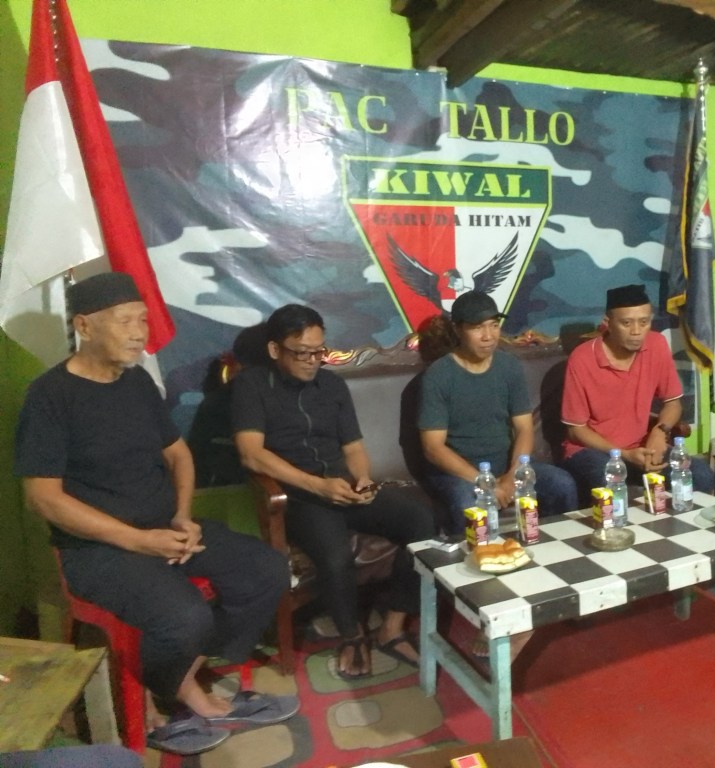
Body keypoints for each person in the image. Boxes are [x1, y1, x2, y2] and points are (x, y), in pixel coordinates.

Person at [14, 273, 294, 754]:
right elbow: (43, 498)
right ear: (84, 326)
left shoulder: (137, 381)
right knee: (185, 617)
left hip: (167, 529)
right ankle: (167, 699)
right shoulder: (50, 396)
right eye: (125, 321)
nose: (139, 332)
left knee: (266, 570)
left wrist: (183, 516)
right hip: (98, 550)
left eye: (142, 320)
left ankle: (177, 678)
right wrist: (138, 541)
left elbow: (178, 454)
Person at [232, 304, 435, 679]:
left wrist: (363, 480)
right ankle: (352, 635)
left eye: (319, 351)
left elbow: (353, 447)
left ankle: (392, 625)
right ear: (275, 349)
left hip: (342, 485)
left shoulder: (332, 385)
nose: (313, 361)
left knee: (421, 520)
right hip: (298, 495)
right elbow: (251, 454)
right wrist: (316, 486)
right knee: (335, 554)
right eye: (303, 353)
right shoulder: (252, 386)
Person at [418, 291, 577, 532]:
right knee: (467, 505)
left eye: (494, 325)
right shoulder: (438, 375)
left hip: (506, 465)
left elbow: (524, 428)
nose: (488, 336)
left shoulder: (509, 366)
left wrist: (514, 474)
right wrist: (486, 483)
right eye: (477, 328)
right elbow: (433, 448)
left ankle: (553, 549)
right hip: (459, 473)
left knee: (561, 484)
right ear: (458, 330)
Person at [560, 283, 714, 496]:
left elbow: (673, 403)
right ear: (608, 323)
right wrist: (623, 454)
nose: (636, 332)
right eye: (626, 323)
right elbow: (576, 430)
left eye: (644, 322)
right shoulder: (582, 359)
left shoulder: (657, 345)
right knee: (609, 481)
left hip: (641, 447)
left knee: (700, 474)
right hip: (594, 451)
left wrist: (659, 432)